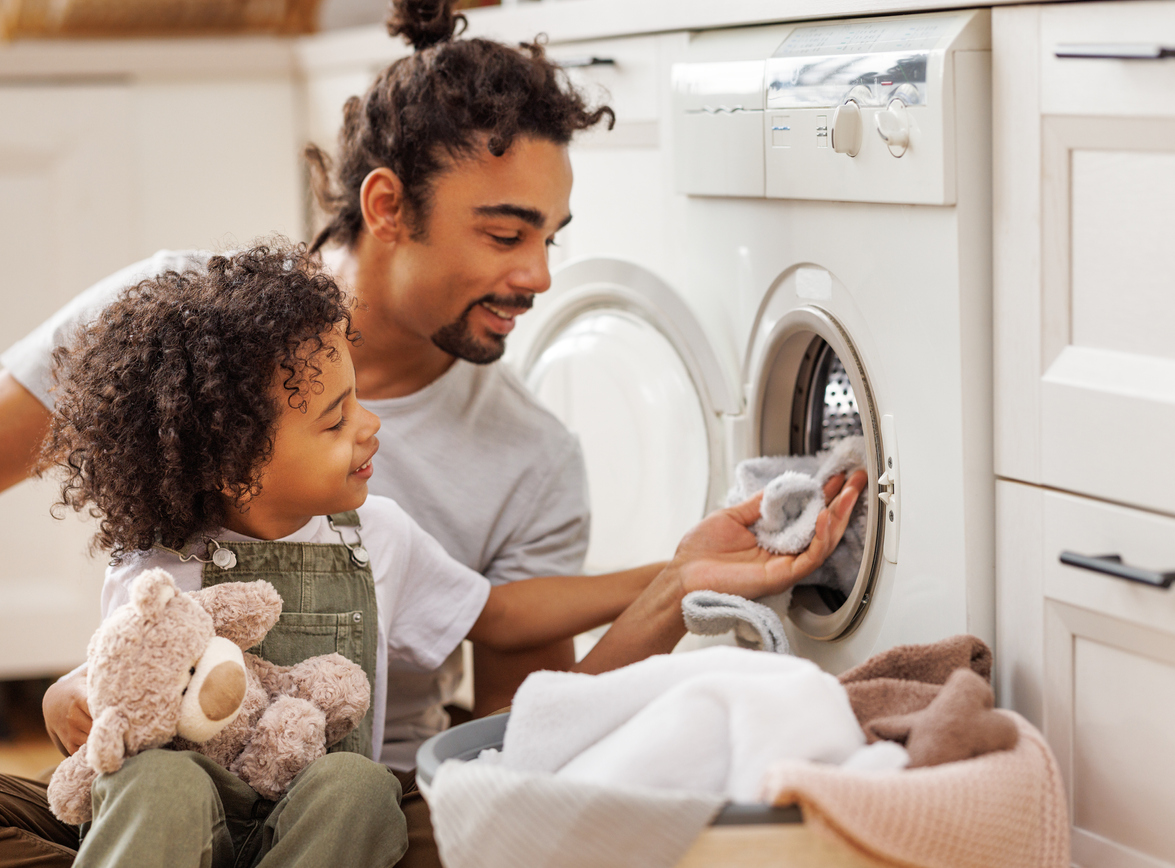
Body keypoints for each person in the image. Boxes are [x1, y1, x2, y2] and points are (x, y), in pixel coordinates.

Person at [0, 0, 866, 863]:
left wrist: (675, 583)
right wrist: (80, 694)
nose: (539, 277)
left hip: (361, 796)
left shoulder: (527, 457)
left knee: (424, 820)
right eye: (504, 234)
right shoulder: (174, 326)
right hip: (158, 786)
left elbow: (517, 728)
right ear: (385, 208)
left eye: (550, 238)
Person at [24, 242, 860, 868]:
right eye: (334, 418)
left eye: (358, 399)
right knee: (157, 784)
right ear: (239, 466)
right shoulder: (155, 567)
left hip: (307, 817)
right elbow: (107, 683)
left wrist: (677, 571)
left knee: (358, 789)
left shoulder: (376, 536)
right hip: (185, 826)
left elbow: (501, 614)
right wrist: (71, 697)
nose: (369, 426)